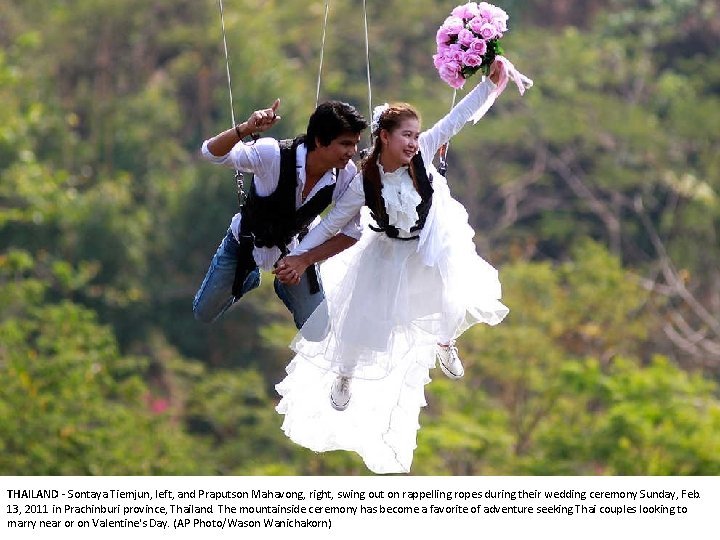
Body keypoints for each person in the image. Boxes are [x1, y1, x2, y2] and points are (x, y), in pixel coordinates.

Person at [274, 60, 512, 474]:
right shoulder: (363, 180)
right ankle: (344, 373)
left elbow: (455, 120)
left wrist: (489, 88)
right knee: (365, 320)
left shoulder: (423, 155)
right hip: (387, 251)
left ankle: (445, 343)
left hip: (427, 245)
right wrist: (299, 255)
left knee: (450, 293)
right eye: (405, 135)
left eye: (416, 136)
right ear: (384, 137)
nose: (412, 142)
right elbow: (333, 221)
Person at [193, 99, 368, 330]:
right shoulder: (272, 154)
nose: (352, 152)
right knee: (204, 313)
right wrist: (245, 129)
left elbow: (352, 232)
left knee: (317, 329)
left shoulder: (345, 175)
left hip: (295, 247)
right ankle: (249, 276)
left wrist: (304, 260)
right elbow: (211, 153)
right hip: (246, 241)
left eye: (355, 144)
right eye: (345, 144)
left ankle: (286, 283)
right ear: (319, 140)